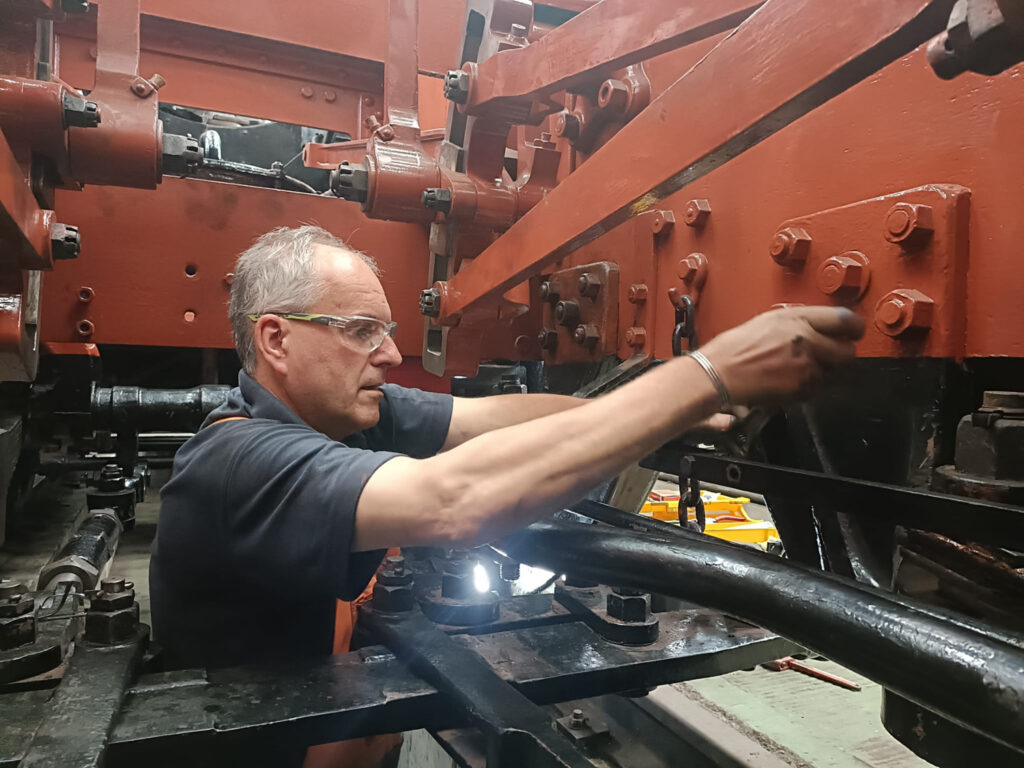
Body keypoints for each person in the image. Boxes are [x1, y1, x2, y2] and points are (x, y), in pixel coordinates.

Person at [150, 225, 864, 766]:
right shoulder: (239, 462)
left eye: (387, 332)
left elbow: (484, 422)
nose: (390, 355)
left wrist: (660, 415)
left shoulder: (344, 414)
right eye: (361, 331)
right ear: (275, 339)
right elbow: (454, 499)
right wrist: (710, 373)